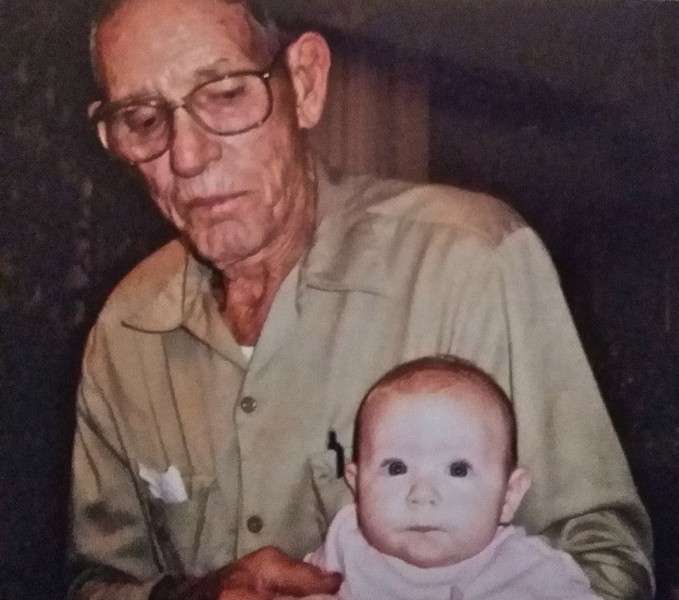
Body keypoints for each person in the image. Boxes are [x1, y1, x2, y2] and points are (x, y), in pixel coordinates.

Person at [69, 0, 653, 598]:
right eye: (142, 119)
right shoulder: (126, 328)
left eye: (224, 95)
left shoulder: (468, 263)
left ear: (306, 82)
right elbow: (98, 583)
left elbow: (605, 569)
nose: (188, 157)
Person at [300, 355, 601, 600]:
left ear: (509, 496)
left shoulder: (537, 574)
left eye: (458, 470)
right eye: (396, 468)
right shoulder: (345, 542)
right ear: (356, 484)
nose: (422, 494)